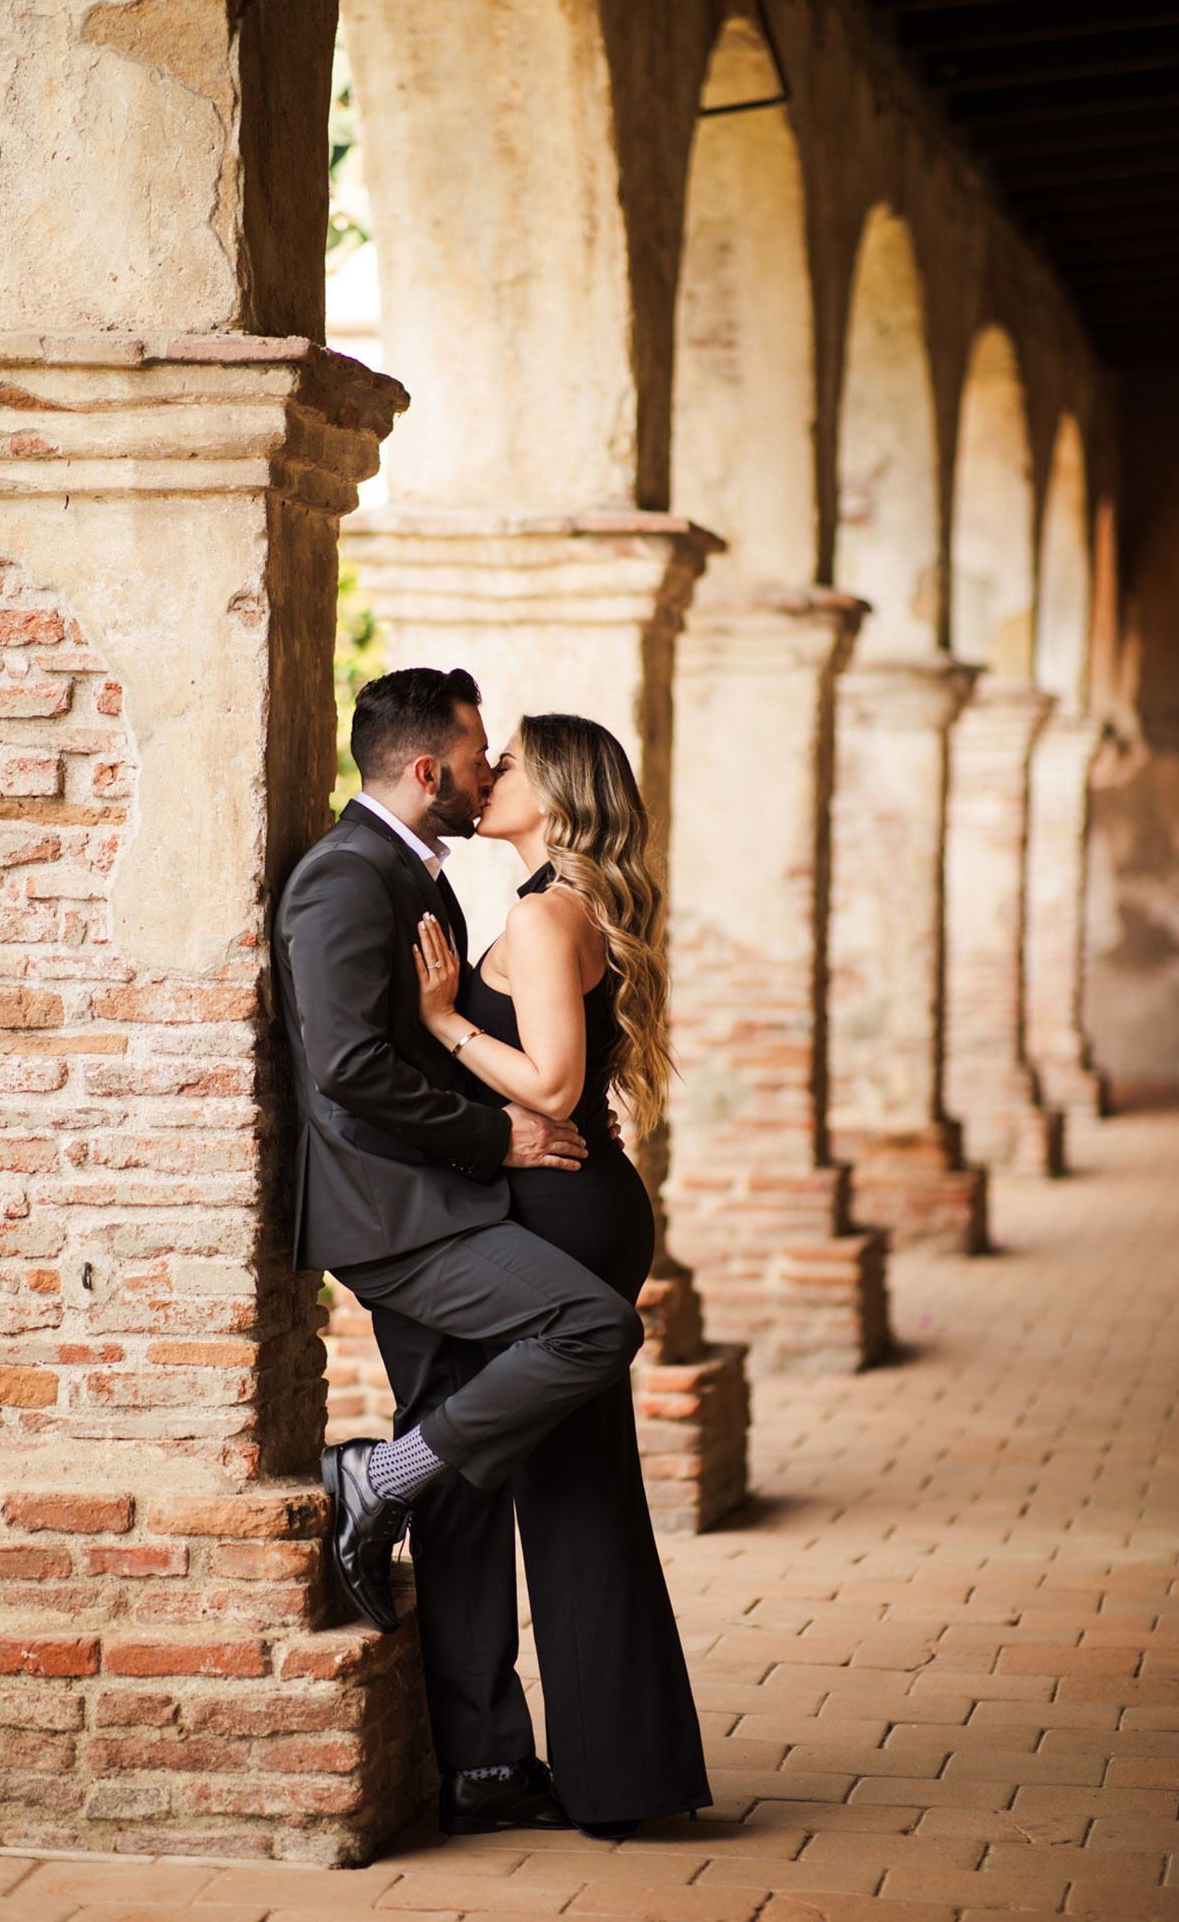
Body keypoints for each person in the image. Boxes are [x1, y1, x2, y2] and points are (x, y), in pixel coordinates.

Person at [274, 667, 644, 1838]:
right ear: (428, 768)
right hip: (403, 1217)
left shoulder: (420, 874)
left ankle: (485, 1762)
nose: (490, 771)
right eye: (483, 752)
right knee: (558, 1361)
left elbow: (440, 1046)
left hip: (459, 1203)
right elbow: (346, 1067)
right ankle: (368, 1483)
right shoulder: (344, 879)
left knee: (467, 1474)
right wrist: (498, 1135)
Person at [408, 711, 709, 1834]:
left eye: (512, 761)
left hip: (563, 1210)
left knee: (573, 1494)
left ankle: (620, 1774)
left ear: (561, 788)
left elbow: (548, 1081)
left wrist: (441, 1020)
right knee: (581, 1491)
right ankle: (626, 1774)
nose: (487, 773)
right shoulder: (554, 903)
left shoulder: (542, 914)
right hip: (575, 1207)